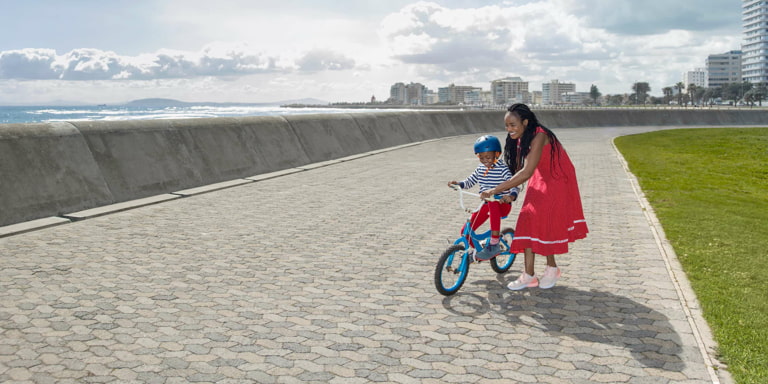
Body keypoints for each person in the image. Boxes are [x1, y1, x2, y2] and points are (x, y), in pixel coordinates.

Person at [480, 103, 588, 290]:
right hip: (540, 177)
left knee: (545, 223)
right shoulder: (523, 137)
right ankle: (530, 275)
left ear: (525, 122)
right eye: (507, 126)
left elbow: (526, 172)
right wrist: (506, 190)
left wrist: (495, 190)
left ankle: (551, 269)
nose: (509, 129)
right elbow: (516, 169)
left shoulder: (539, 136)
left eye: (513, 125)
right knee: (528, 221)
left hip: (557, 179)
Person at [448, 135, 519, 261]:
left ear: (497, 154)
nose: (484, 160)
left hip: (502, 204)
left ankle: (494, 244)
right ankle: (477, 252)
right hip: (486, 205)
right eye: (481, 157)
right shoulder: (480, 169)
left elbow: (513, 184)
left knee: (492, 202)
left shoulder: (502, 169)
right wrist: (458, 184)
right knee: (466, 231)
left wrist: (511, 196)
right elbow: (470, 181)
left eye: (488, 157)